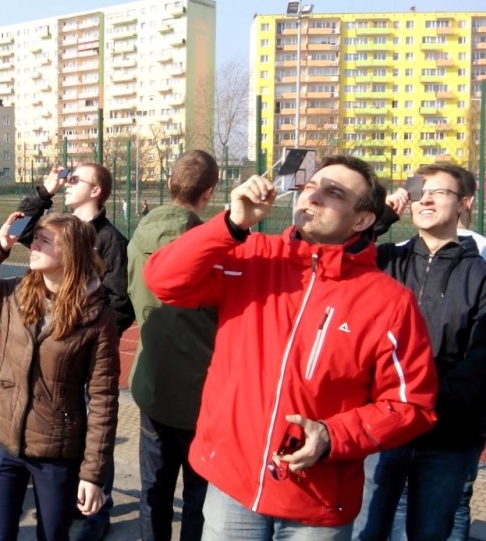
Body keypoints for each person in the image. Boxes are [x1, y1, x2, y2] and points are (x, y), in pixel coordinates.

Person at [143, 155, 438, 539]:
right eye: (310, 186)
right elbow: (165, 280)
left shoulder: (389, 301)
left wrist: (333, 435)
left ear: (363, 219)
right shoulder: (253, 256)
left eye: (333, 193)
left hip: (316, 504)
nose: (313, 197)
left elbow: (411, 404)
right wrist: (231, 224)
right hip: (232, 486)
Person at [0, 212, 119, 541]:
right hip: (3, 438)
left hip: (56, 448)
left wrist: (93, 474)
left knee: (52, 536)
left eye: (43, 240)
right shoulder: (15, 293)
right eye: (34, 237)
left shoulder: (97, 316)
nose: (32, 244)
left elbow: (104, 399)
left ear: (70, 253)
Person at [353, 163, 486, 541]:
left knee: (431, 532)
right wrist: (380, 220)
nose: (425, 198)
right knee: (367, 531)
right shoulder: (384, 261)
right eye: (419, 190)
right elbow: (337, 254)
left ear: (464, 203)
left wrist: (423, 406)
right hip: (382, 429)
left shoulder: (479, 274)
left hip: (448, 434)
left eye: (439, 192)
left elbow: (480, 359)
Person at [17, 162, 134, 540]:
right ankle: (66, 500)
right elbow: (17, 229)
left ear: (96, 191)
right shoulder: (56, 228)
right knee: (65, 429)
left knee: (95, 428)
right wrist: (44, 192)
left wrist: (87, 336)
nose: (68, 185)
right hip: (50, 354)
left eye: (75, 181)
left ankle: (98, 509)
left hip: (86, 356)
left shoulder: (111, 240)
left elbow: (121, 303)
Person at [127, 150, 218, 541]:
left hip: (153, 385)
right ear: (209, 192)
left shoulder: (137, 237)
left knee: (154, 492)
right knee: (199, 498)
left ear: (169, 184)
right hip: (201, 395)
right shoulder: (211, 247)